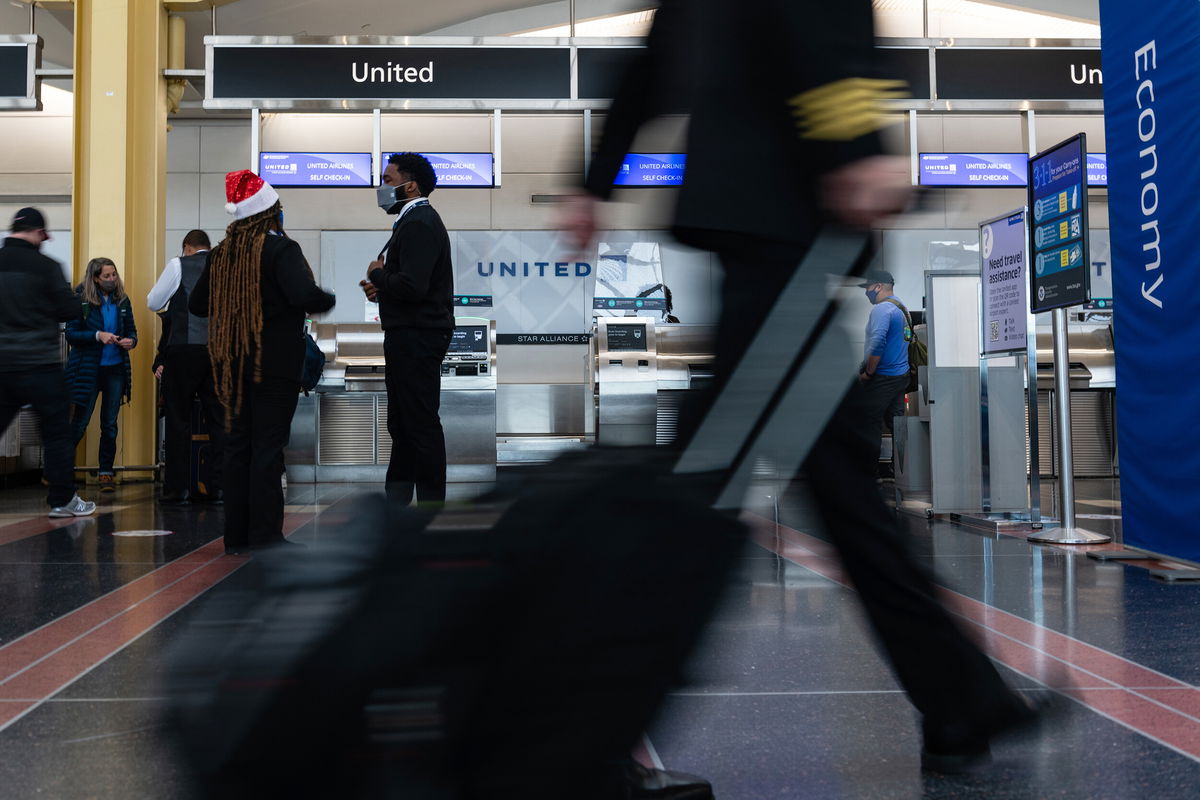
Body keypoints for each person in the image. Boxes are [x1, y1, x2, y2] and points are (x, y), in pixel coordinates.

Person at [565, 0, 1043, 777]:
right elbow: (822, 32)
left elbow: (650, 69)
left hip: (770, 237)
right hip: (786, 227)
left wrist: (593, 181)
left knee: (830, 497)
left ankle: (961, 701)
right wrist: (861, 147)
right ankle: (588, 731)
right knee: (709, 496)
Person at [190, 171, 334, 553]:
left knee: (237, 449)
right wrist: (325, 297)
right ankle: (267, 537)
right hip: (273, 366)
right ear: (270, 212)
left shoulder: (221, 252)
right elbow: (306, 296)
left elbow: (196, 304)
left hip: (231, 365)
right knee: (267, 450)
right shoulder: (281, 250)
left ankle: (236, 538)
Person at [360, 152, 454, 509]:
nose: (383, 187)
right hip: (409, 333)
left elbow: (414, 287)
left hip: (418, 335)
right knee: (403, 425)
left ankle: (431, 510)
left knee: (419, 424)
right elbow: (412, 284)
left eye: (388, 179)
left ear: (409, 185)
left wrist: (377, 274)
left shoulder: (419, 223)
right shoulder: (410, 222)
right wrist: (382, 287)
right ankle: (396, 505)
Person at [0, 208, 96, 518]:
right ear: (39, 233)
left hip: (2, 365)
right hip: (41, 365)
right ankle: (61, 500)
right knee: (56, 433)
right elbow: (69, 310)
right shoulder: (47, 266)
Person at [148, 229, 224, 506]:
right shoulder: (224, 265)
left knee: (178, 418)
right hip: (217, 352)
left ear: (187, 247)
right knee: (218, 421)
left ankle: (175, 490)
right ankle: (214, 488)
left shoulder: (178, 264)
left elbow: (153, 302)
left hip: (183, 350)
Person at [64, 257, 138, 493]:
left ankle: (106, 472)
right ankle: (59, 471)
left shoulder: (122, 300)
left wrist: (131, 342)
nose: (112, 280)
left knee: (110, 423)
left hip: (115, 368)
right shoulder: (81, 299)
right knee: (80, 422)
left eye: (114, 275)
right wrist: (98, 335)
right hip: (88, 369)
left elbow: (132, 332)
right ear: (95, 277)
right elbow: (71, 334)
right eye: (106, 276)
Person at [853, 269, 911, 470]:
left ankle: (867, 472)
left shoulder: (882, 309)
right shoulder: (901, 306)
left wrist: (868, 372)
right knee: (897, 423)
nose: (866, 292)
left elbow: (877, 343)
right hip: (900, 375)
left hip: (883, 376)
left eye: (867, 287)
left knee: (869, 422)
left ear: (878, 286)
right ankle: (901, 470)